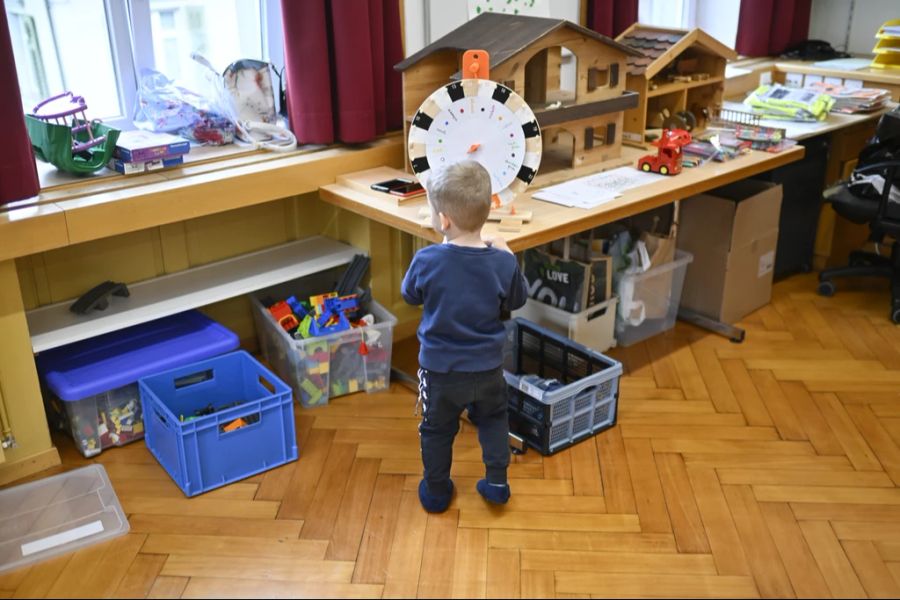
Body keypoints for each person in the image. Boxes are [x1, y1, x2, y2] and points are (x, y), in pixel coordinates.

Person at [401, 160, 528, 513]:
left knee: (437, 430)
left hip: (440, 372)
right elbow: (517, 298)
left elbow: (410, 295)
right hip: (487, 368)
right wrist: (508, 253)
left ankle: (438, 490)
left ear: (444, 220)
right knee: (493, 420)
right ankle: (497, 483)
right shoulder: (501, 263)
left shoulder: (427, 260)